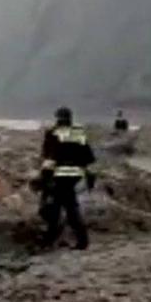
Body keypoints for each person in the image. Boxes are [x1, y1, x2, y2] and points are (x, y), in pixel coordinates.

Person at [40, 106, 97, 250]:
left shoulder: (53, 133)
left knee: (56, 208)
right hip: (74, 176)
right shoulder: (78, 132)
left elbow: (49, 158)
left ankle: (50, 241)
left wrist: (44, 178)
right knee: (68, 205)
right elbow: (88, 158)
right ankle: (78, 240)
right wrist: (90, 177)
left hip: (58, 176)